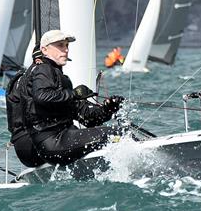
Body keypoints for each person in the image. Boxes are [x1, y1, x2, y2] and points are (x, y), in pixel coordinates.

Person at [21, 30, 124, 165]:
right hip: (53, 142)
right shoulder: (43, 69)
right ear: (44, 50)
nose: (66, 50)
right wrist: (74, 94)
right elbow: (41, 96)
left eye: (66, 45)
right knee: (117, 133)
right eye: (60, 45)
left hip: (61, 140)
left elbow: (87, 118)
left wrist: (108, 108)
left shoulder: (60, 77)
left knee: (117, 133)